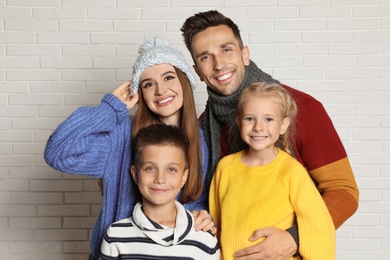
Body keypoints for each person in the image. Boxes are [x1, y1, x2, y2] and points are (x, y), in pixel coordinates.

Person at [181, 10, 359, 259]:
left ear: (245, 54)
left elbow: (344, 191)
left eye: (226, 49)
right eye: (205, 57)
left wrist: (294, 238)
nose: (219, 64)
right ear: (198, 71)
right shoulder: (202, 129)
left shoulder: (301, 108)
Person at [44, 37, 214, 259]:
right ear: (140, 93)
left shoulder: (200, 140)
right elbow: (58, 153)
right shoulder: (122, 135)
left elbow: (195, 197)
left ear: (185, 81)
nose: (161, 90)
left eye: (169, 78)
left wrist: (203, 215)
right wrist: (110, 109)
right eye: (148, 84)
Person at [209, 82, 335, 259]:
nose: (258, 127)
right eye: (250, 119)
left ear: (283, 125)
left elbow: (318, 225)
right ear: (239, 122)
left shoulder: (291, 171)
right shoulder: (225, 168)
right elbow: (216, 225)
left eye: (268, 119)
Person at [100, 124, 220, 259]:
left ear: (184, 177)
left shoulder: (204, 240)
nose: (160, 179)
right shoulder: (116, 236)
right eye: (150, 168)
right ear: (135, 174)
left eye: (171, 169)